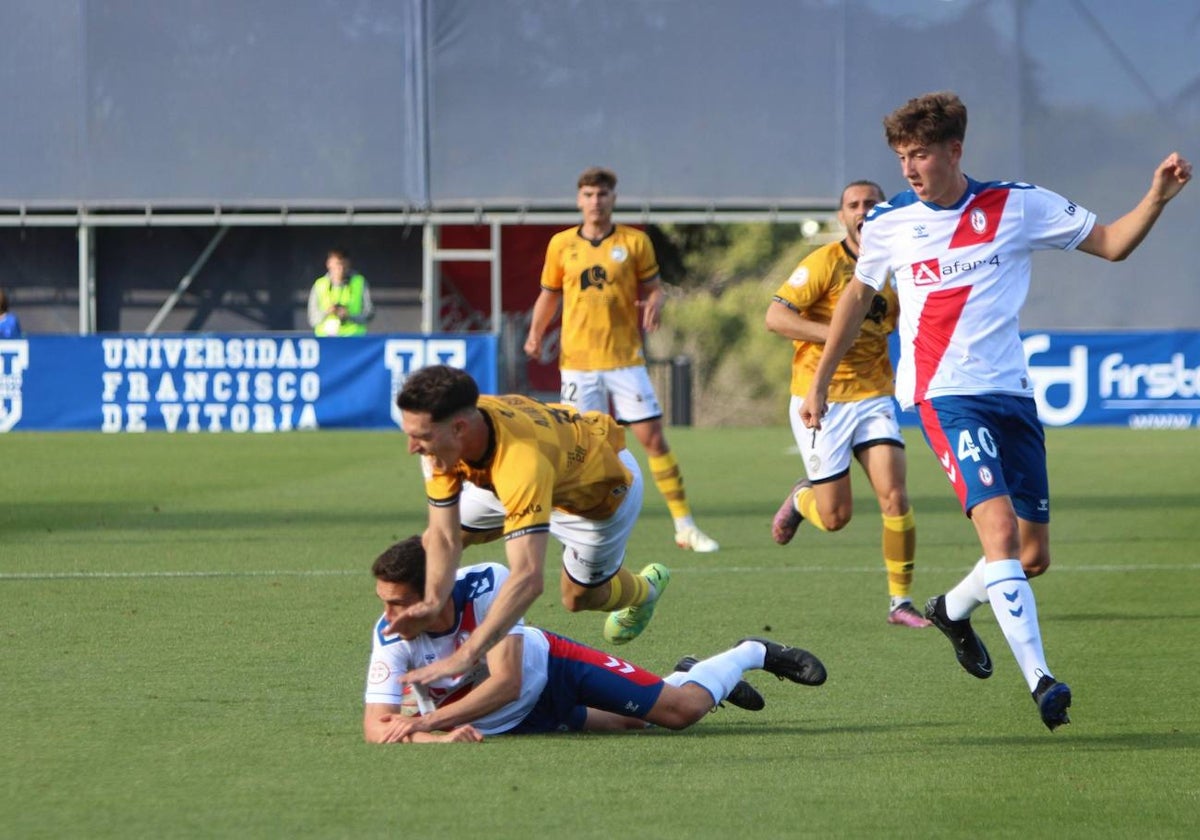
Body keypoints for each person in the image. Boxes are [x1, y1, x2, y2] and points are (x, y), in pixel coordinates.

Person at [800, 91, 1192, 731]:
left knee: (1032, 556)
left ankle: (951, 610)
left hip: (1011, 395)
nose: (908, 168)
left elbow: (1113, 244)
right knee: (1001, 536)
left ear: (955, 150)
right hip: (942, 396)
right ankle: (1042, 680)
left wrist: (1156, 198)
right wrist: (818, 380)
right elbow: (856, 298)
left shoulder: (1016, 204)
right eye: (901, 156)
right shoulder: (890, 223)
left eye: (919, 153)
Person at [362, 536, 827, 743]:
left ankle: (753, 652)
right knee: (636, 724)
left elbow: (505, 682)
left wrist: (427, 723)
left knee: (681, 714)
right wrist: (437, 738)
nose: (389, 617)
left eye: (400, 603)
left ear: (435, 590)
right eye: (384, 602)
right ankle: (688, 673)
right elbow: (377, 727)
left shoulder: (487, 584)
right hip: (517, 722)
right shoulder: (389, 635)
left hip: (557, 670)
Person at [392, 364, 674, 693]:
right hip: (517, 479)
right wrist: (430, 603)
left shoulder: (520, 463)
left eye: (421, 437)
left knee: (578, 597)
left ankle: (646, 591)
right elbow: (443, 535)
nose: (412, 447)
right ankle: (431, 661)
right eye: (409, 433)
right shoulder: (448, 436)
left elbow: (527, 578)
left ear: (458, 428)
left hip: (597, 495)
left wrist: (468, 654)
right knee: (431, 547)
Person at [524, 166, 719, 554]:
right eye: (589, 195)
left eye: (603, 194)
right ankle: (579, 530)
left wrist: (654, 303)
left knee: (653, 439)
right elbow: (549, 293)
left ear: (614, 198)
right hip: (578, 362)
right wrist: (535, 332)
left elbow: (653, 288)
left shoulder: (634, 241)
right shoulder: (561, 244)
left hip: (625, 360)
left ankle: (685, 526)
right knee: (579, 448)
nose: (596, 202)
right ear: (579, 199)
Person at [766, 180, 930, 629]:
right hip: (821, 398)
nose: (863, 210)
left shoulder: (900, 265)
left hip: (874, 395)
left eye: (871, 203)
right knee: (835, 517)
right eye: (853, 204)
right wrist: (835, 335)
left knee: (895, 496)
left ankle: (900, 602)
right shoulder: (824, 263)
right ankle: (802, 500)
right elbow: (775, 317)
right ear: (842, 216)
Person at [307, 247, 374, 336]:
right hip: (326, 340)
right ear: (328, 264)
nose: (340, 268)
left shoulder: (359, 282)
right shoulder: (319, 285)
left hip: (354, 340)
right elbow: (312, 319)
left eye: (343, 264)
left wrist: (349, 316)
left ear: (348, 264)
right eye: (337, 264)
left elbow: (369, 313)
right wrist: (327, 312)